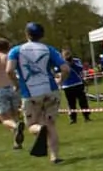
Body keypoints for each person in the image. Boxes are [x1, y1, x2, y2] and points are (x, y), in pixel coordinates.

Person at [7, 23, 72, 163]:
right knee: (51, 125)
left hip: (30, 92)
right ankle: (54, 156)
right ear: (42, 35)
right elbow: (65, 69)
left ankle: (39, 129)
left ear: (26, 34)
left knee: (31, 125)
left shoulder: (16, 51)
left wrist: (16, 84)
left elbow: (9, 70)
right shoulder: (49, 49)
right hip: (50, 90)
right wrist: (60, 81)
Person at [59, 48, 92, 124]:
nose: (67, 56)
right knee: (71, 103)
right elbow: (58, 72)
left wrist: (72, 63)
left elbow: (80, 68)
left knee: (82, 101)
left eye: (68, 54)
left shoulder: (76, 60)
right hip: (67, 86)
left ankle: (86, 116)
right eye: (65, 54)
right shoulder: (60, 62)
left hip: (78, 83)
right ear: (62, 55)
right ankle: (73, 119)